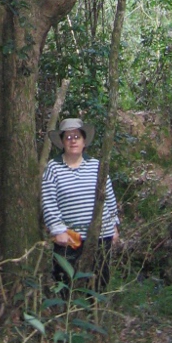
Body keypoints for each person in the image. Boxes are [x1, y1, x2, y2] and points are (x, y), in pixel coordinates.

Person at [41, 117, 120, 291]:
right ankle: (64, 315)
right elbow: (48, 200)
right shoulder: (53, 168)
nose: (73, 141)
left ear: (84, 141)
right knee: (64, 280)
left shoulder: (97, 166)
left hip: (100, 233)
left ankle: (95, 314)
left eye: (77, 136)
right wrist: (58, 230)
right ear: (62, 142)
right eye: (68, 137)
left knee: (100, 279)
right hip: (69, 237)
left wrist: (113, 225)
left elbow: (109, 196)